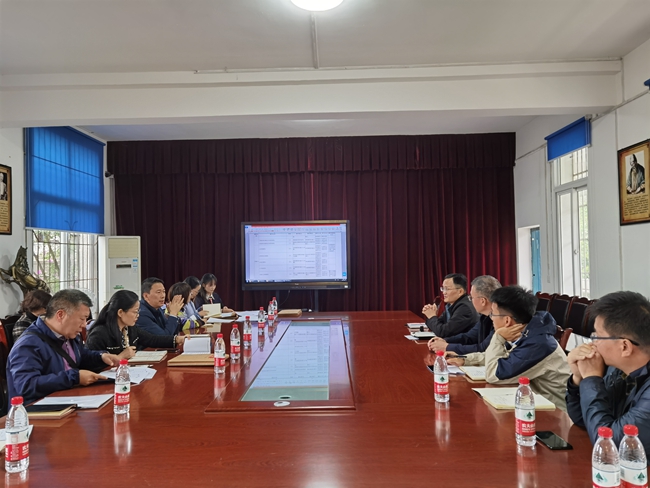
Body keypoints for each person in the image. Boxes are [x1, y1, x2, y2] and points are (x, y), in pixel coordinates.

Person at [448, 285, 570, 410]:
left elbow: (493, 375)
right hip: (535, 404)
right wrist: (465, 359)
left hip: (556, 414)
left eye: (493, 314)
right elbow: (504, 356)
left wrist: (497, 338)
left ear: (507, 321)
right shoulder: (528, 332)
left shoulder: (538, 344)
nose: (491, 318)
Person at [566, 291, 650, 451]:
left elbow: (608, 442)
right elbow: (583, 419)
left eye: (598, 336)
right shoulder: (619, 370)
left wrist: (591, 379)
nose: (593, 343)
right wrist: (579, 378)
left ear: (624, 347)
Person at [7, 289, 121, 404]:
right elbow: (26, 385)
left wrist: (101, 357)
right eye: (82, 319)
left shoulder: (69, 335)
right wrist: (74, 378)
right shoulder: (28, 344)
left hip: (69, 398)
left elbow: (80, 357)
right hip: (38, 409)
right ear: (60, 315)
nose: (84, 325)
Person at [86, 290, 186, 358]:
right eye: (135, 312)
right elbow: (91, 364)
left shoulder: (130, 328)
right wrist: (119, 357)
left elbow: (152, 339)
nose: (138, 315)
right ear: (120, 312)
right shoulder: (99, 334)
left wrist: (177, 339)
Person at [428, 275, 501, 355]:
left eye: (471, 297)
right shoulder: (484, 316)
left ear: (482, 301)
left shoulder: (501, 319)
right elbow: (469, 337)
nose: (470, 301)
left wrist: (447, 347)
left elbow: (483, 349)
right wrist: (445, 341)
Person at [422, 273, 478, 337]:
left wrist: (432, 316)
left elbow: (444, 332)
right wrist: (432, 315)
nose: (444, 292)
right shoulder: (451, 305)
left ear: (460, 291)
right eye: (443, 288)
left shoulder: (465, 308)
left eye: (447, 289)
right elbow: (438, 326)